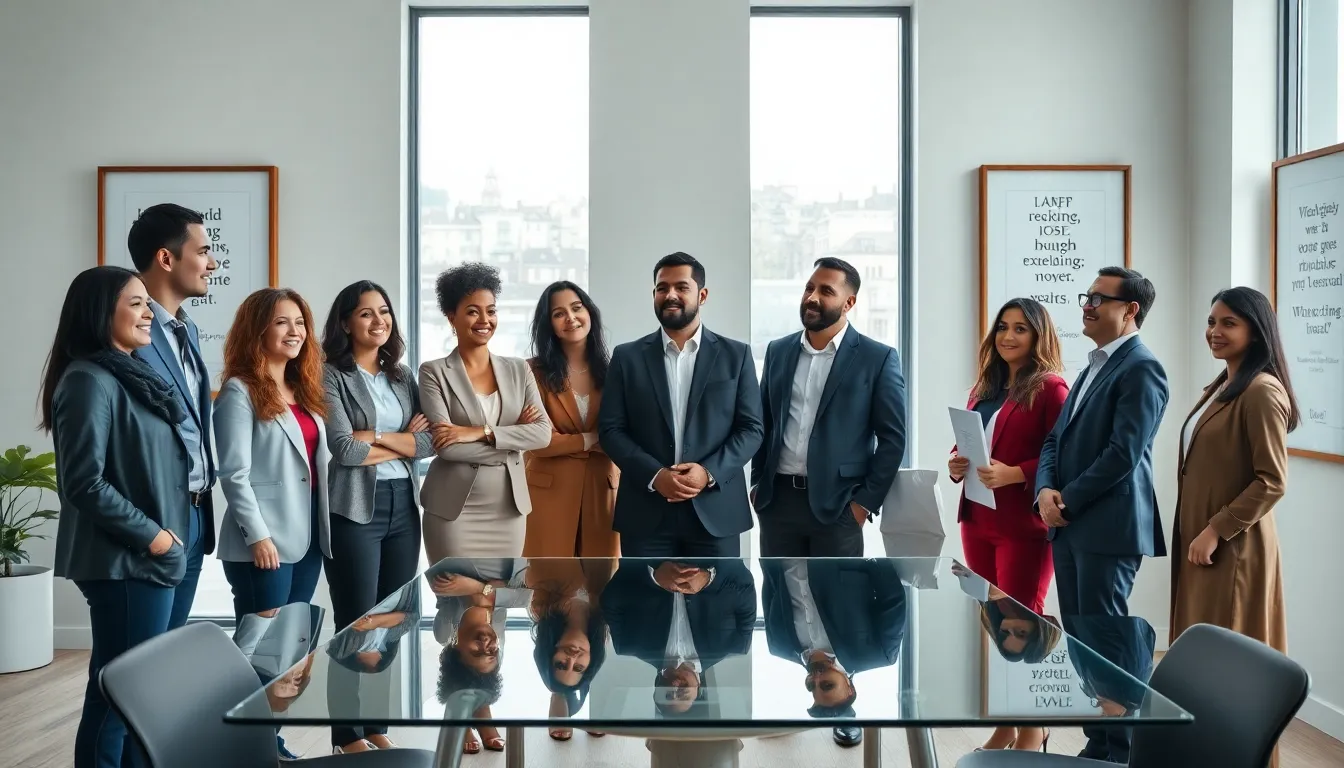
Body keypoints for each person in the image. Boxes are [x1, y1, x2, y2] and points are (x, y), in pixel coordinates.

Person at [45, 266, 192, 768]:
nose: (149, 312)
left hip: (146, 557)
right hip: (125, 560)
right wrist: (155, 538)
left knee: (135, 693)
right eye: (135, 303)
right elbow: (83, 483)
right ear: (99, 312)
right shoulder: (87, 380)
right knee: (117, 696)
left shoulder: (126, 373)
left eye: (148, 302)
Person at [1035, 266, 1169, 763]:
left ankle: (1122, 749)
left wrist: (1065, 499)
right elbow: (1055, 439)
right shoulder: (1093, 365)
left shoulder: (1142, 367)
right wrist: (1044, 490)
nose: (1087, 306)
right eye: (1086, 297)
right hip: (1070, 524)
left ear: (1130, 310)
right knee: (1082, 637)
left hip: (1108, 528)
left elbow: (1122, 454)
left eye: (1098, 298)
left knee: (1107, 637)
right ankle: (1100, 740)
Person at [1172, 288, 1296, 762]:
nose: (1214, 332)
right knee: (1202, 665)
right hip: (1204, 547)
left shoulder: (1261, 391)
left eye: (1229, 323)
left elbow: (1272, 481)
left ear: (1256, 331)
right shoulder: (1221, 386)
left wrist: (1215, 530)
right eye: (1211, 321)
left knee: (1230, 667)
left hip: (1233, 551)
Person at [320, 280, 435, 753]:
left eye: (384, 311)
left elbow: (429, 442)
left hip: (403, 505)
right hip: (354, 509)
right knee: (355, 621)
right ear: (346, 322)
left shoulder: (402, 376)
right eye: (366, 313)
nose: (378, 321)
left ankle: (375, 726)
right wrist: (400, 439)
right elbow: (344, 450)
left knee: (391, 619)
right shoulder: (330, 374)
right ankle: (345, 735)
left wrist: (375, 437)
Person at [948, 297, 1067, 752]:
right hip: (977, 519)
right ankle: (1006, 723)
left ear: (1039, 336)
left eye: (1020, 328)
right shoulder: (984, 388)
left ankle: (1034, 727)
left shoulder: (1051, 389)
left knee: (1024, 623)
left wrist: (1016, 473)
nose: (1008, 336)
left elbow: (1065, 456)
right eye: (1002, 327)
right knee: (994, 623)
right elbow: (973, 444)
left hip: (1022, 526)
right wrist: (957, 463)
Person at [598, 252, 764, 557]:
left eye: (681, 287)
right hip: (645, 512)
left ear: (702, 295)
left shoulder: (736, 355)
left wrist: (707, 472)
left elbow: (751, 429)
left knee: (719, 590)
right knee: (644, 590)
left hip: (716, 511)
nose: (670, 295)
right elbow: (611, 430)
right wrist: (655, 476)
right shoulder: (626, 357)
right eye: (662, 288)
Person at [752, 257, 906, 557]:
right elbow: (763, 423)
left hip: (839, 506)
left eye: (826, 291)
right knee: (779, 587)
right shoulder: (778, 351)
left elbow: (893, 439)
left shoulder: (877, 359)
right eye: (809, 287)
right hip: (777, 503)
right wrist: (757, 483)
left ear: (849, 303)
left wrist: (863, 504)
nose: (812, 297)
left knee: (837, 588)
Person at [418, 263, 552, 561]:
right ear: (451, 317)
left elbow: (542, 434)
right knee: (455, 591)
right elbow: (448, 448)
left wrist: (479, 432)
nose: (484, 320)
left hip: (508, 511)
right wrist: (514, 442)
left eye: (491, 311)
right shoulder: (433, 372)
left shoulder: (519, 369)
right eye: (472, 311)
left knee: (502, 590)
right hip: (453, 512)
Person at [126, 203, 219, 629]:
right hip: (154, 519)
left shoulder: (188, 329)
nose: (211, 264)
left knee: (168, 652)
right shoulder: (128, 330)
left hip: (195, 513)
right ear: (166, 258)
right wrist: (149, 529)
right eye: (203, 251)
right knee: (136, 659)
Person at [214, 288, 332, 621]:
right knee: (261, 641)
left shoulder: (303, 390)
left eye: (300, 322)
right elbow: (234, 475)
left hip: (307, 533)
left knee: (292, 635)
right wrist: (258, 536)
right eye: (282, 322)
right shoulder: (239, 391)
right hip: (264, 537)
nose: (295, 331)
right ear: (258, 330)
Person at [759, 558, 905, 748]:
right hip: (832, 548)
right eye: (827, 685)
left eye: (811, 688)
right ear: (849, 688)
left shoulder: (780, 645)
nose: (816, 679)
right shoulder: (879, 653)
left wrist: (768, 557)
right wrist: (861, 562)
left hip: (780, 550)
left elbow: (770, 587)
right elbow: (893, 598)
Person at [523, 281, 620, 557]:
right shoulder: (531, 372)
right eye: (558, 313)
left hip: (602, 492)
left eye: (577, 308)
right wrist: (591, 440)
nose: (570, 317)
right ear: (549, 324)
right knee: (548, 580)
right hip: (548, 495)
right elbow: (537, 440)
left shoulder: (615, 371)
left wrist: (564, 441)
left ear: (590, 312)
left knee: (603, 580)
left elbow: (625, 434)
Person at [602, 558, 757, 719]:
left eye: (667, 694)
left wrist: (653, 577)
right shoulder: (735, 646)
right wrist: (709, 578)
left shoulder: (627, 645)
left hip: (652, 551)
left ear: (656, 686)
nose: (675, 687)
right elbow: (745, 586)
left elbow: (610, 600)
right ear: (699, 689)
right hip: (710, 551)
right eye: (683, 694)